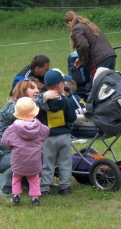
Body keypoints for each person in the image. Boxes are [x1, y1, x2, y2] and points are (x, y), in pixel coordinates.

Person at [0, 77, 59, 196]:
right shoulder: (11, 107)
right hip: (0, 156)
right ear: (22, 91)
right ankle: (2, 182)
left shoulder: (31, 110)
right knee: (27, 159)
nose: (37, 91)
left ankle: (24, 183)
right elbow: (22, 109)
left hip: (17, 153)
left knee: (40, 158)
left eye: (37, 88)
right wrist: (44, 97)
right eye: (32, 88)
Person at [35, 68, 77, 196]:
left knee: (48, 162)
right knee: (65, 161)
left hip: (47, 137)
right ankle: (64, 187)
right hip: (64, 136)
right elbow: (72, 118)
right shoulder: (65, 100)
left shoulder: (42, 102)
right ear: (60, 85)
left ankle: (45, 187)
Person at [1, 97, 50, 206]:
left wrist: (12, 146)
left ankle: (16, 196)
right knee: (34, 179)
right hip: (34, 162)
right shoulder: (41, 128)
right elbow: (47, 132)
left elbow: (4, 141)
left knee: (16, 177)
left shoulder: (12, 129)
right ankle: (35, 198)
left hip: (18, 161)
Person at [64, 11, 116, 78]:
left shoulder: (77, 28)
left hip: (99, 60)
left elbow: (83, 45)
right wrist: (79, 58)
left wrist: (84, 61)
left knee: (97, 85)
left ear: (69, 22)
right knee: (110, 84)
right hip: (110, 56)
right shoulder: (89, 25)